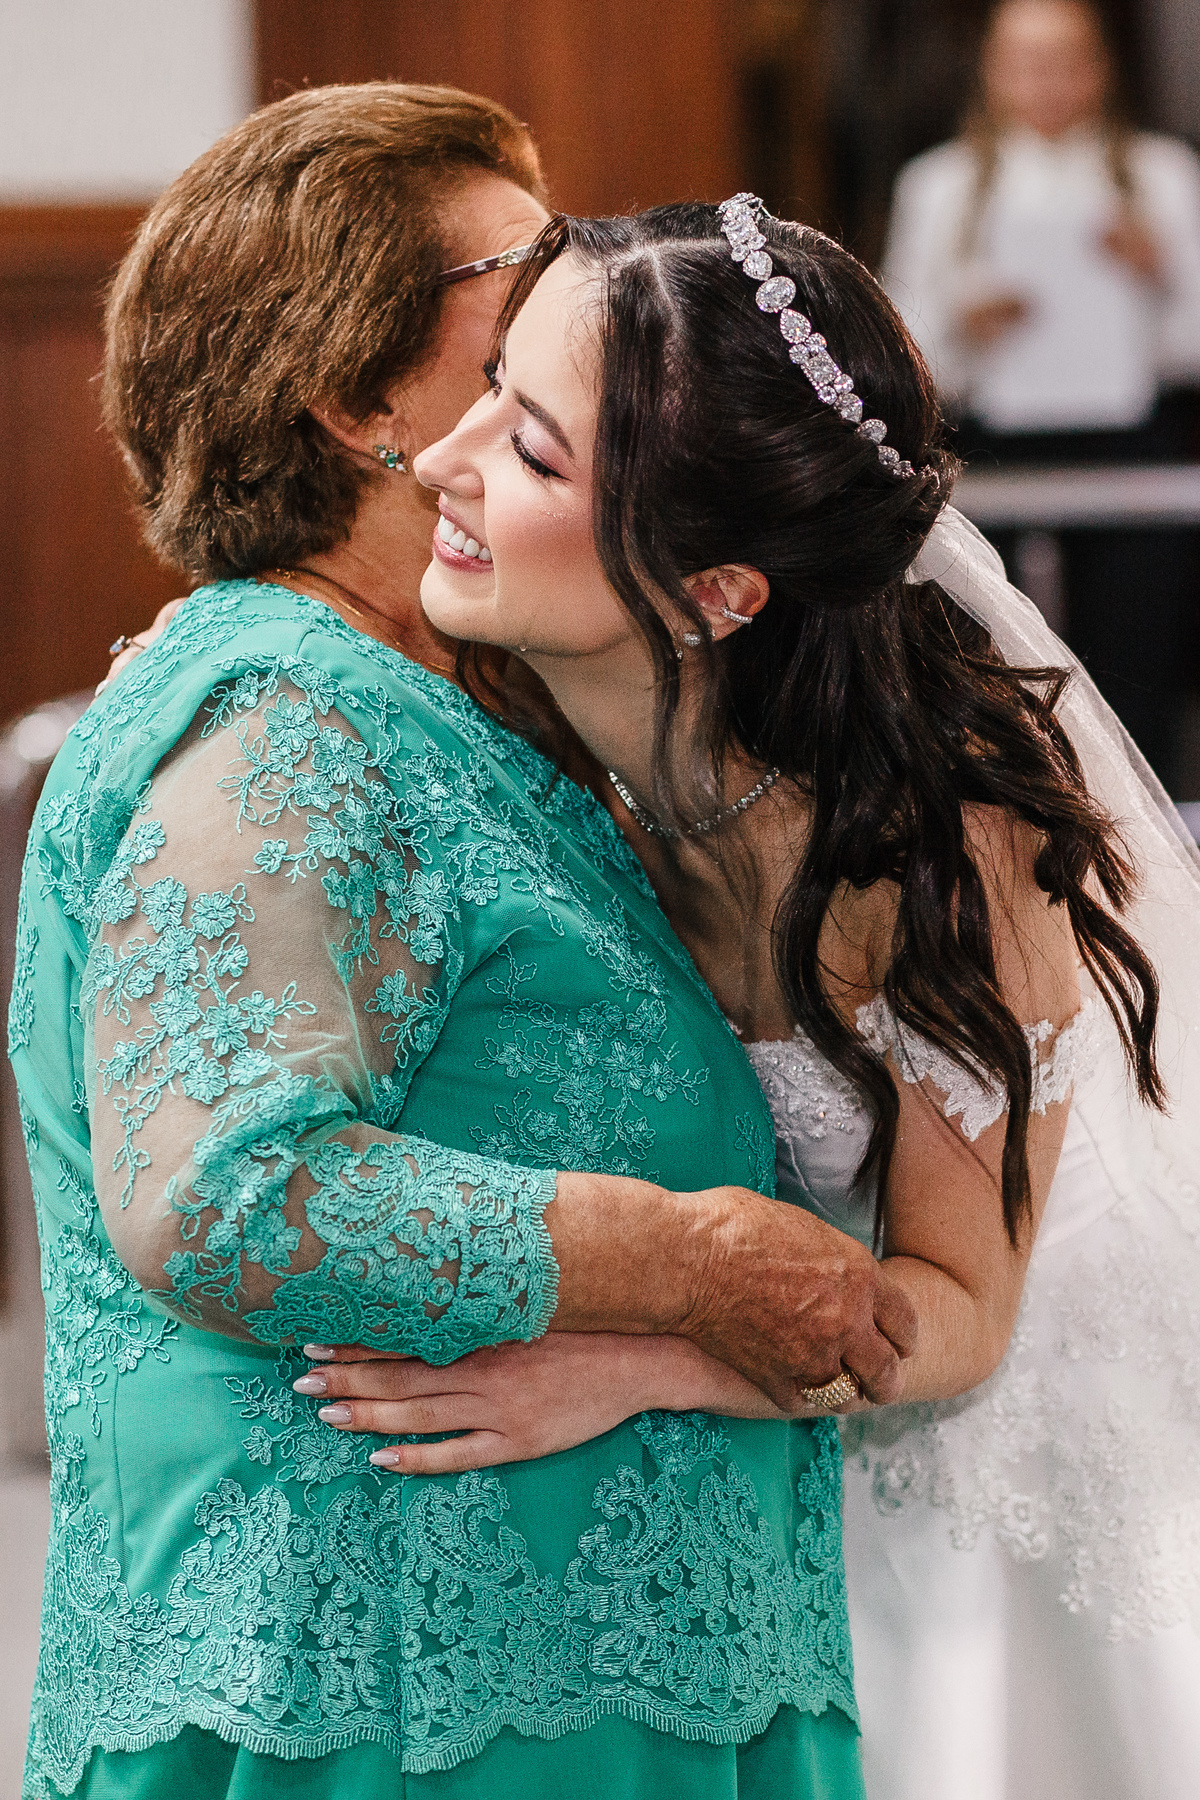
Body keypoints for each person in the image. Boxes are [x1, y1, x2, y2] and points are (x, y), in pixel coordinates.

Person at [10, 88, 924, 1800]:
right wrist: (688, 1261)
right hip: (395, 1706)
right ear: (359, 400)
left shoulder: (449, 686)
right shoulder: (285, 729)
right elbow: (222, 1193)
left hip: (551, 1677)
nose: (590, 297)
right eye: (527, 273)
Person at [311, 197, 1200, 1800]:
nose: (443, 459)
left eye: (534, 452)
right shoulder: (504, 698)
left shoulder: (942, 848)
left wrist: (635, 1357)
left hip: (975, 1417)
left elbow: (965, 1309)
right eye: (495, 388)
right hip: (759, 1409)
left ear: (717, 592)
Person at [881, 0, 1200, 789]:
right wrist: (964, 326)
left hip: (1131, 447)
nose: (1047, 82)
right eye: (1026, 62)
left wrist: (1154, 275)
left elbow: (1193, 342)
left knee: (1132, 668)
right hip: (993, 447)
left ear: (1100, 70)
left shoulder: (1163, 175)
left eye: (1066, 61)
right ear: (992, 71)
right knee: (994, 670)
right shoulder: (939, 185)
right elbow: (897, 353)